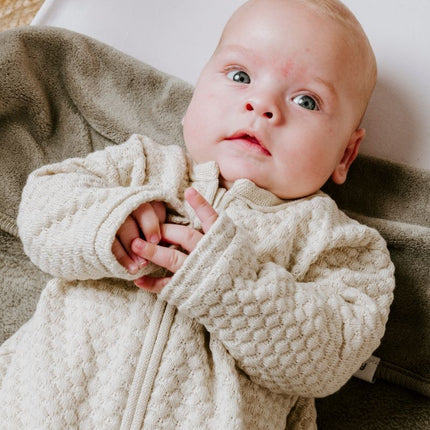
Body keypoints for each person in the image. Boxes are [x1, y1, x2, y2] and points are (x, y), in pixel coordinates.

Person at [0, 0, 394, 428]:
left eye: (306, 100)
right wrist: (108, 220)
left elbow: (330, 358)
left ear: (346, 154)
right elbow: (40, 211)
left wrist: (232, 286)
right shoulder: (140, 166)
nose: (262, 106)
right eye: (240, 76)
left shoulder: (337, 243)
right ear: (194, 97)